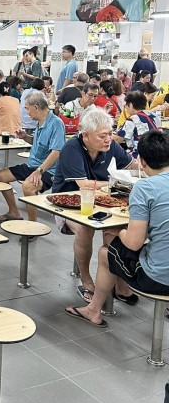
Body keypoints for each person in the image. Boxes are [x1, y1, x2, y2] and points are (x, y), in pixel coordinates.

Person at [67, 129, 169, 327]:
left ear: (142, 162)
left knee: (106, 252)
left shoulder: (144, 187)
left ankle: (93, 310)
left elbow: (134, 242)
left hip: (158, 279)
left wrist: (119, 231)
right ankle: (121, 289)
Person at [50, 108, 132, 297]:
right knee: (85, 228)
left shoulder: (111, 146)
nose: (108, 139)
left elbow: (131, 166)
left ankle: (119, 283)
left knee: (117, 228)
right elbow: (84, 185)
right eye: (103, 135)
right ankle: (86, 280)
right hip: (67, 204)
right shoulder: (71, 148)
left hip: (102, 201)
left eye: (110, 133)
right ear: (85, 135)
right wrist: (115, 183)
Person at [0, 92, 64, 222]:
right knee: (1, 176)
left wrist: (39, 171)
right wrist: (26, 137)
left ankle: (32, 224)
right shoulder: (40, 122)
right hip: (32, 166)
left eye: (27, 109)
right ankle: (14, 212)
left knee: (28, 187)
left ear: (36, 107)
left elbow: (56, 152)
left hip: (48, 170)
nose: (26, 112)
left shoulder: (56, 123)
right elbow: (40, 144)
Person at [116, 90, 159, 154]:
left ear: (130, 105)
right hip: (157, 153)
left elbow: (118, 139)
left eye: (126, 105)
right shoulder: (155, 116)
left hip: (139, 155)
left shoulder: (132, 119)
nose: (126, 108)